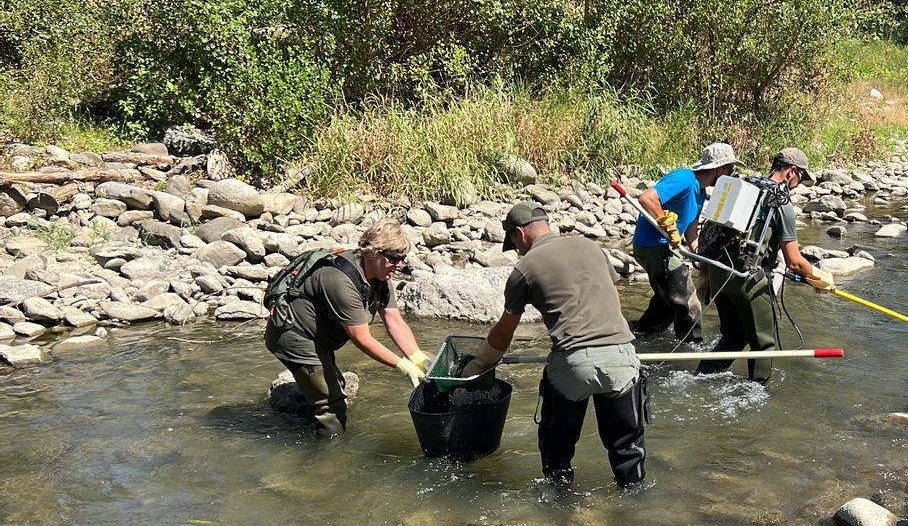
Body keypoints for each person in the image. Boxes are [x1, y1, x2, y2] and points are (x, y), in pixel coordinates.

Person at [461, 202, 648, 487]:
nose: (518, 251)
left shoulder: (524, 269)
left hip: (573, 365)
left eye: (514, 244)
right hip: (621, 358)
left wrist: (479, 364)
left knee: (557, 451)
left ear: (519, 234)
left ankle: (561, 513)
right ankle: (636, 507)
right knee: (628, 450)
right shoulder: (591, 247)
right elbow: (614, 303)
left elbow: (503, 336)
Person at [265, 219, 432, 437]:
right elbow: (361, 338)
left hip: (320, 336)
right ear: (373, 253)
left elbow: (394, 320)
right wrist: (403, 366)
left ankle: (303, 417)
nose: (400, 264)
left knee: (334, 388)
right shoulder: (340, 280)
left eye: (403, 258)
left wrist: (417, 357)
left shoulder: (380, 275)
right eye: (394, 258)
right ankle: (326, 458)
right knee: (333, 408)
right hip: (295, 336)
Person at [695, 148, 835, 383]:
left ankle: (701, 378)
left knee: (734, 336)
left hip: (717, 271)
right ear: (791, 171)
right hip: (746, 278)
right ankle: (757, 393)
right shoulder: (780, 204)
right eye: (800, 177)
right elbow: (794, 262)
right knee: (764, 342)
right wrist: (820, 279)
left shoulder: (744, 188)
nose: (798, 185)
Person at [629, 142, 744, 343]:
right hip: (653, 245)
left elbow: (692, 233)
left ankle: (638, 336)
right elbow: (647, 199)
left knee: (667, 303)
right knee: (690, 303)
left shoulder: (700, 192)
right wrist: (666, 225)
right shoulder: (684, 178)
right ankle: (693, 349)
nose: (731, 173)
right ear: (719, 168)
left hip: (665, 247)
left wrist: (703, 258)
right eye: (729, 168)